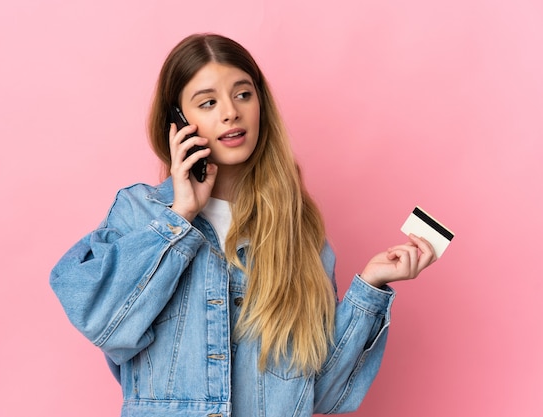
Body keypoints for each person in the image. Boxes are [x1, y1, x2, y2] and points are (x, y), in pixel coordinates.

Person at [50, 33, 437, 417]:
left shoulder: (296, 233)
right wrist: (180, 216)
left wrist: (369, 287)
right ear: (178, 123)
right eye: (208, 102)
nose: (231, 112)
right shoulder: (140, 214)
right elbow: (103, 321)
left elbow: (322, 394)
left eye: (243, 94)